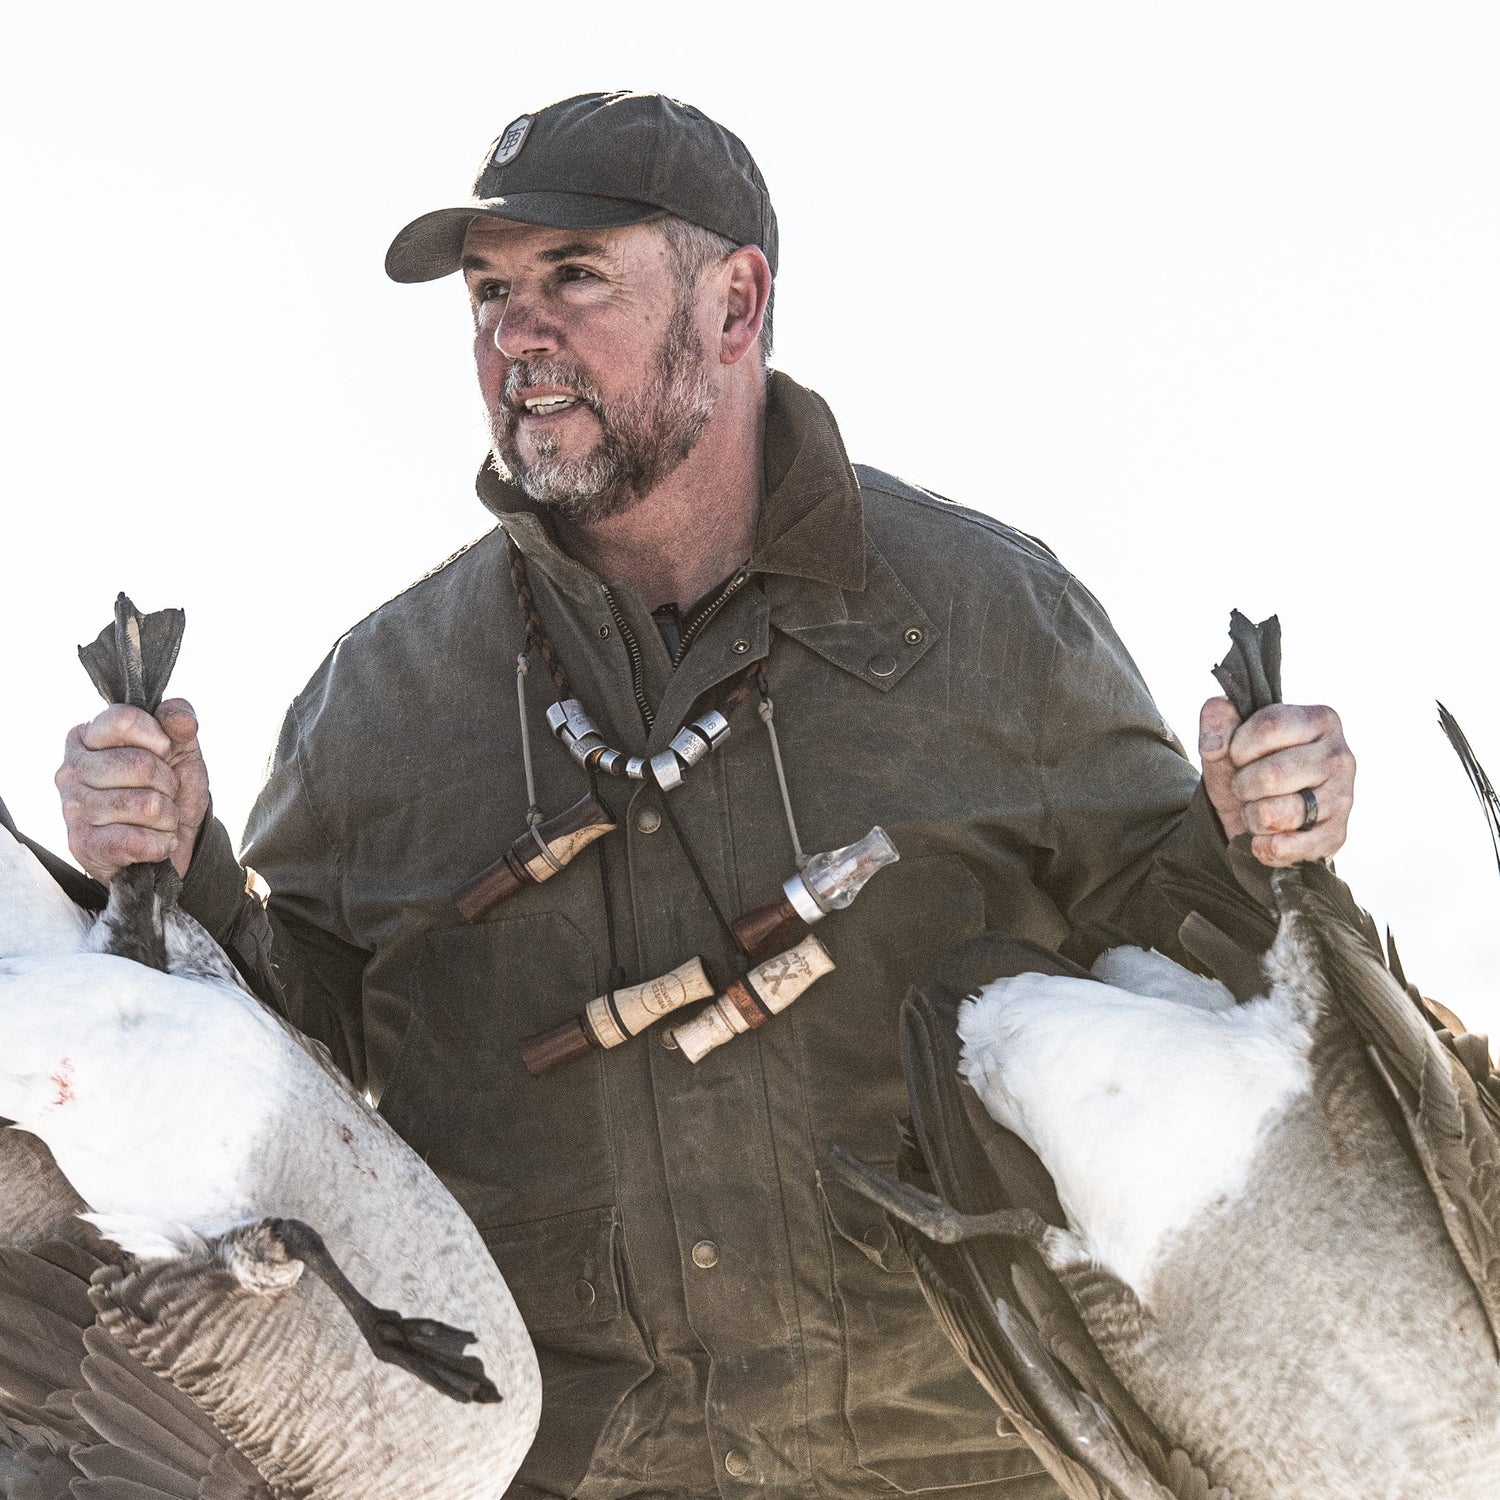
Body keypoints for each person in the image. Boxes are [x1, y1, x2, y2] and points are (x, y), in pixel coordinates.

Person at [56, 93, 1355, 1500]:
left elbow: (1197, 979)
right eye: (490, 292)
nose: (513, 334)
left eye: (573, 278)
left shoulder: (993, 621)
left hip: (978, 1460)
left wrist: (1261, 839)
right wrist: (175, 865)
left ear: (736, 305)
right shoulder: (381, 701)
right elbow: (297, 1081)